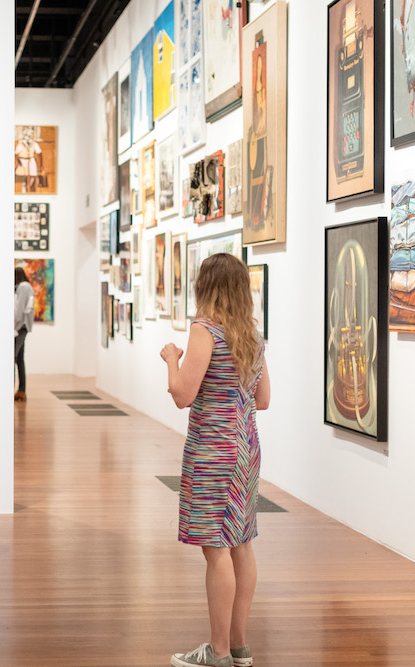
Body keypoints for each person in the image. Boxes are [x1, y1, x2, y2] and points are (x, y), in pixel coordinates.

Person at [160, 253, 271, 667]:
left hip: (213, 450)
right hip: (246, 448)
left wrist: (173, 359)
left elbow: (183, 395)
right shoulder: (251, 336)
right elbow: (263, 399)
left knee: (216, 550)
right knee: (240, 543)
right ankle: (239, 646)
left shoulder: (204, 330)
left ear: (206, 286)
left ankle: (219, 652)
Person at [14, 267, 35, 402]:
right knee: (19, 359)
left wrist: (13, 326)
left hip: (20, 327)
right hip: (22, 327)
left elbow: (19, 310)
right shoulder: (27, 286)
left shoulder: (23, 287)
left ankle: (10, 389)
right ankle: (21, 390)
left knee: (12, 358)